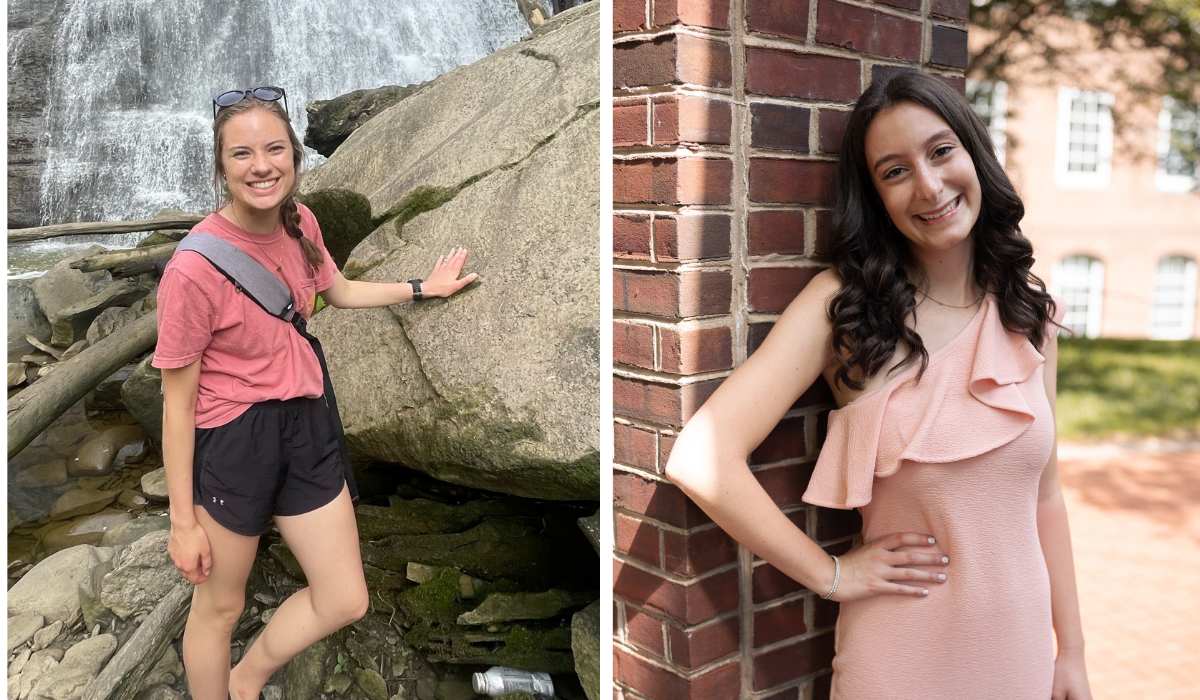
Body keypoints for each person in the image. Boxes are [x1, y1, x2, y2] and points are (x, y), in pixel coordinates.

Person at [664, 73, 1093, 700]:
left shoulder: (1030, 316)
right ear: (876, 196)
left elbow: (1046, 500)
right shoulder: (845, 310)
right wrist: (831, 574)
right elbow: (700, 459)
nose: (929, 185)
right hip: (900, 661)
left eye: (941, 151)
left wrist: (1072, 651)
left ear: (975, 154)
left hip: (1020, 654)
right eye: (895, 171)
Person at [154, 87, 478, 700]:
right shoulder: (194, 268)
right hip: (234, 442)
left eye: (275, 149)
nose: (262, 166)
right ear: (222, 166)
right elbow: (177, 403)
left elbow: (340, 291)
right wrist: (181, 523)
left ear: (296, 158)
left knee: (344, 598)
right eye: (242, 153)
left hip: (307, 426)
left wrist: (420, 287)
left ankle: (246, 681)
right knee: (219, 610)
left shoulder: (301, 222)